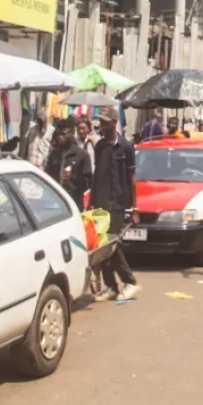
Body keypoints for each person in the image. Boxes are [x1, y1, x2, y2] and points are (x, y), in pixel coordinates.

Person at [89, 106, 140, 302]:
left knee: (111, 243)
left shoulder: (126, 146)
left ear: (113, 123)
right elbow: (96, 176)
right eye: (100, 122)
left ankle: (130, 281)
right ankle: (110, 285)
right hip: (101, 203)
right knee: (100, 245)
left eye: (104, 122)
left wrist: (134, 208)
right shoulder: (100, 146)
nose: (101, 125)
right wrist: (92, 202)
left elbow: (132, 177)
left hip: (119, 204)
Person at [45, 118, 92, 212]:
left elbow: (88, 182)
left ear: (72, 134)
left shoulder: (82, 155)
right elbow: (47, 175)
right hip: (55, 204)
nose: (60, 137)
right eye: (58, 134)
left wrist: (73, 177)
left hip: (74, 205)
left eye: (64, 134)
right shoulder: (54, 154)